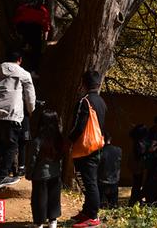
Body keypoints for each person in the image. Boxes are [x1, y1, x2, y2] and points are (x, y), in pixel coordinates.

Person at [0, 49, 36, 189]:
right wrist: (30, 111)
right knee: (11, 145)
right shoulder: (23, 74)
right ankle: (2, 176)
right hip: (11, 115)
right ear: (20, 60)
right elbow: (30, 97)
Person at [69, 70, 107, 228]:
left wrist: (68, 140)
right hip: (97, 147)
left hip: (84, 148)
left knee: (88, 182)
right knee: (88, 180)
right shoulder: (101, 102)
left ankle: (93, 216)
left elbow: (78, 126)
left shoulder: (85, 101)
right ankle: (87, 210)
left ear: (83, 84)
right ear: (99, 84)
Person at [26, 109, 64, 228]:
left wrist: (29, 174)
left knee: (39, 199)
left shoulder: (37, 140)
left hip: (40, 175)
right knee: (54, 197)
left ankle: (39, 223)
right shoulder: (59, 140)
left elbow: (32, 160)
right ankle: (52, 221)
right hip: (55, 174)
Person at [13, 0, 50, 73]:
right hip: (25, 30)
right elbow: (46, 27)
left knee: (35, 48)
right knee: (35, 50)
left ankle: (26, 45)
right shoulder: (25, 8)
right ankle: (32, 69)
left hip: (29, 31)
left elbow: (45, 26)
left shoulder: (41, 10)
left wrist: (44, 41)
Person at [98, 134, 122, 209]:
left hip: (102, 180)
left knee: (101, 205)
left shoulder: (100, 151)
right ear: (110, 139)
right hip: (115, 180)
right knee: (113, 205)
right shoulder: (118, 150)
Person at [128, 124, 148, 205]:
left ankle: (135, 200)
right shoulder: (138, 143)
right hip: (138, 167)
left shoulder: (137, 141)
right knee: (137, 184)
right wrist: (149, 150)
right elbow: (139, 155)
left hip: (136, 166)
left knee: (137, 184)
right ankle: (134, 201)